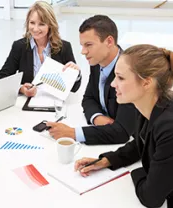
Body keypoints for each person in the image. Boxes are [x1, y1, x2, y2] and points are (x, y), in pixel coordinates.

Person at [75, 44, 173, 208]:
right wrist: (108, 160)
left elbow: (151, 198)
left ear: (146, 83)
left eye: (120, 78)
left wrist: (137, 172)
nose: (113, 84)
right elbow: (142, 141)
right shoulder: (154, 103)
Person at [47, 15, 136, 144]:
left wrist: (72, 133)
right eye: (82, 45)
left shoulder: (128, 71)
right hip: (105, 133)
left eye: (88, 45)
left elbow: (122, 132)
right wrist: (97, 117)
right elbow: (88, 98)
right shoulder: (97, 62)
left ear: (109, 42)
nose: (83, 52)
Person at [0, 1, 81, 97]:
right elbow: (1, 79)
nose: (35, 29)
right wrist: (21, 89)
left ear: (50, 25)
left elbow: (74, 88)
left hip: (54, 102)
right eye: (32, 23)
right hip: (27, 102)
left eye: (41, 24)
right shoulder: (19, 46)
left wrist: (76, 74)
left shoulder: (64, 47)